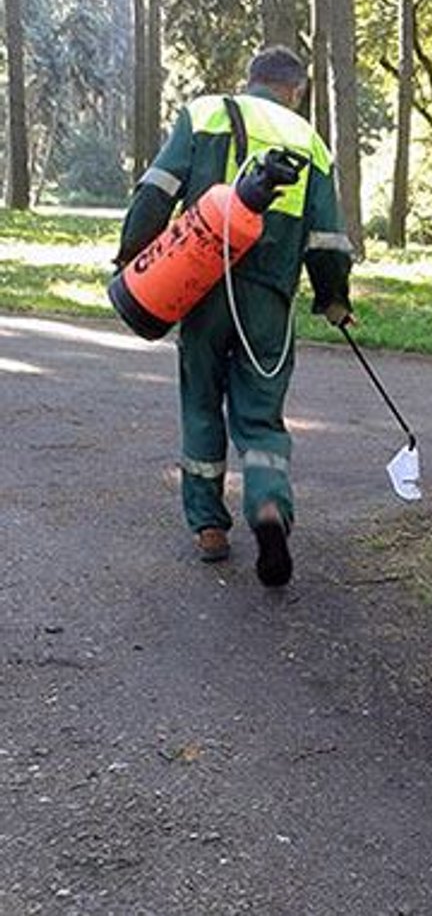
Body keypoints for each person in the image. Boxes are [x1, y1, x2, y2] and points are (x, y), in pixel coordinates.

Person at [115, 45, 353, 586]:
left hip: (197, 283)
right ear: (295, 90)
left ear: (251, 81)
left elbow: (158, 190)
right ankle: (269, 507)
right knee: (260, 416)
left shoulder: (206, 113)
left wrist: (134, 253)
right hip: (267, 297)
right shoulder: (309, 143)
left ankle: (209, 528)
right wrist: (334, 299)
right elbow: (327, 241)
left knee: (201, 398)